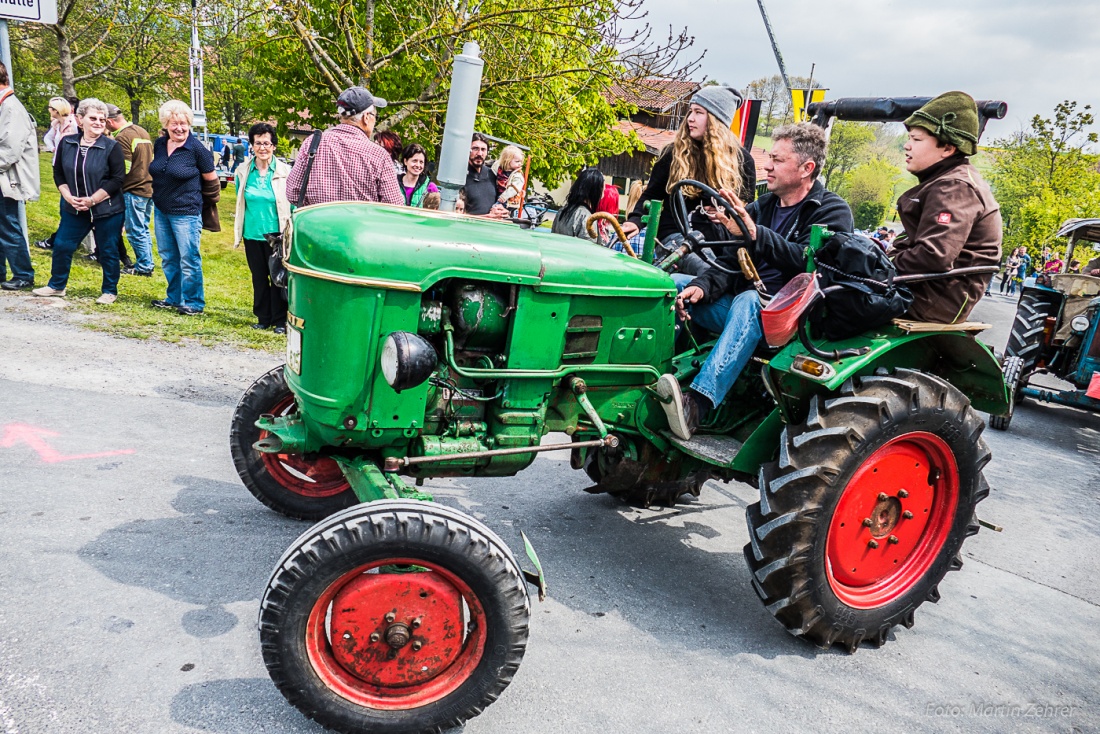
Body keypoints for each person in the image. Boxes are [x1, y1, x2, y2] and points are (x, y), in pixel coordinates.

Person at [655, 122, 854, 439]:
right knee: (671, 284)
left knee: (749, 301)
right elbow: (730, 260)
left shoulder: (831, 211)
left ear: (806, 168)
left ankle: (699, 404)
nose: (767, 165)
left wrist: (756, 234)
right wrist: (702, 286)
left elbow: (808, 264)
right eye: (770, 157)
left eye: (777, 159)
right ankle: (653, 375)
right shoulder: (763, 206)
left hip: (787, 323)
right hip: (743, 310)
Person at [891, 92, 1002, 323]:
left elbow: (934, 255)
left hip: (934, 299)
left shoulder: (953, 187)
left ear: (948, 149)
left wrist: (880, 266)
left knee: (832, 303)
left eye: (917, 140)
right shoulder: (943, 182)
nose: (907, 145)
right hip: (925, 290)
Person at [622, 86, 748, 243]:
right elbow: (652, 193)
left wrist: (725, 213)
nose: (690, 118)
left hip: (720, 240)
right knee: (701, 266)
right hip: (675, 234)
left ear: (717, 121)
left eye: (699, 112)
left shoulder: (742, 160)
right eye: (691, 111)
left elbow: (747, 210)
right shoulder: (673, 153)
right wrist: (635, 221)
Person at [30, 98, 125, 303]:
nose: (98, 122)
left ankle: (110, 291)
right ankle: (57, 286)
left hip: (106, 208)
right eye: (93, 118)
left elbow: (117, 179)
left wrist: (92, 200)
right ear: (80, 120)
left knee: (107, 249)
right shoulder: (68, 142)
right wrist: (67, 196)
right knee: (63, 245)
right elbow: (58, 173)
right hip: (73, 207)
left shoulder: (111, 147)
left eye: (102, 119)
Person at [148, 100, 218, 316]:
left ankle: (194, 302)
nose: (179, 128)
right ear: (166, 125)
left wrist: (201, 205)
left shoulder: (197, 149)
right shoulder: (160, 144)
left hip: (186, 212)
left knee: (189, 258)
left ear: (189, 124)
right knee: (168, 256)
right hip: (161, 209)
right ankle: (174, 297)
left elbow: (212, 182)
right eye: (173, 123)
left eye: (183, 123)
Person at [286, 86, 404, 207]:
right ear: (366, 118)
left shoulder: (313, 142)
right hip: (362, 224)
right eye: (375, 116)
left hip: (317, 224)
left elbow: (293, 193)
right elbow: (394, 205)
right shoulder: (378, 155)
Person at [235, 122, 292, 333]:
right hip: (252, 234)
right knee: (258, 278)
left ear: (274, 146)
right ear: (252, 145)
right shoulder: (243, 171)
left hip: (276, 236)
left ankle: (279, 320)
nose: (262, 148)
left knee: (277, 278)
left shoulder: (286, 172)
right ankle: (263, 317)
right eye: (257, 143)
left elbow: (292, 203)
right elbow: (240, 201)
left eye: (266, 143)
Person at [0, 62, 40, 291]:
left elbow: (9, 151)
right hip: (3, 177)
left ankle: (23, 274)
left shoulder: (11, 108)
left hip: (7, 179)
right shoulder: (5, 105)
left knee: (8, 226)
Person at [106, 104, 155, 277]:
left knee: (135, 230)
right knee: (143, 228)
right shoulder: (141, 131)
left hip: (134, 189)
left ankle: (144, 266)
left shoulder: (122, 137)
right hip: (149, 187)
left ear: (110, 121)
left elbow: (123, 168)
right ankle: (147, 262)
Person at [550, 168, 604, 241]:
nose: (603, 192)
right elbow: (589, 248)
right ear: (596, 191)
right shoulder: (587, 217)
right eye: (602, 188)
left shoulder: (562, 211)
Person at [464, 133, 507, 218]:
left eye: (483, 149)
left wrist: (503, 211)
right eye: (475, 149)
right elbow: (454, 213)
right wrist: (488, 217)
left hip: (491, 228)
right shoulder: (459, 176)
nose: (479, 153)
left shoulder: (492, 175)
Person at [494, 145, 526, 214]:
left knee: (495, 209)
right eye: (517, 161)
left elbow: (514, 188)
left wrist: (504, 197)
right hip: (498, 194)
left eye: (521, 161)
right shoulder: (499, 167)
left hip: (508, 199)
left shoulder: (518, 175)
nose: (520, 164)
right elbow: (492, 171)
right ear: (507, 160)